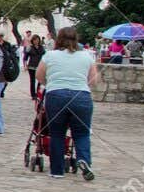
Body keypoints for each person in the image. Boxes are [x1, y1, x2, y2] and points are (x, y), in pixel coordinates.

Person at [36, 26, 99, 180]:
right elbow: (94, 80)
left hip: (56, 95)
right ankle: (83, 159)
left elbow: (39, 75)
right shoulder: (86, 56)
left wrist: (50, 83)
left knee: (57, 133)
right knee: (82, 133)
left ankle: (57, 170)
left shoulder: (50, 55)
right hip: (81, 96)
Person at [23, 33, 44, 99]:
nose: (36, 41)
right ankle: (33, 95)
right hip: (32, 66)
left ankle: (38, 93)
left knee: (40, 80)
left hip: (39, 66)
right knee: (32, 81)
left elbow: (44, 56)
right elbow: (25, 57)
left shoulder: (41, 48)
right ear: (32, 40)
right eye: (35, 40)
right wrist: (25, 65)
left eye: (37, 40)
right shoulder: (29, 48)